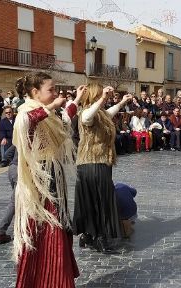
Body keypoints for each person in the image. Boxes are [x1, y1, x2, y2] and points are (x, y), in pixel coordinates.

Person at [13, 72, 82, 287]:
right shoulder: (25, 111)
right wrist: (52, 107)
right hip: (38, 182)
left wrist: (76, 100)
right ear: (35, 92)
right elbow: (27, 124)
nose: (55, 93)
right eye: (50, 90)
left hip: (53, 176)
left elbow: (64, 122)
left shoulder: (49, 115)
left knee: (58, 227)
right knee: (45, 230)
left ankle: (53, 279)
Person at [73, 83, 131, 253]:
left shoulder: (101, 113)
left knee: (97, 201)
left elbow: (109, 112)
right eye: (100, 95)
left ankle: (89, 235)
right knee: (98, 202)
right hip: (92, 164)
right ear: (94, 96)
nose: (103, 98)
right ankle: (99, 237)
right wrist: (104, 98)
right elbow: (87, 118)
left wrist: (122, 103)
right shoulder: (86, 112)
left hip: (100, 163)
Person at [0, 144, 17, 244]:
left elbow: (7, 154)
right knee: (15, 202)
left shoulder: (19, 138)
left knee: (18, 201)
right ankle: (1, 231)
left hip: (12, 169)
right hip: (21, 170)